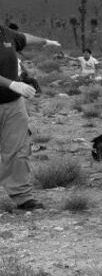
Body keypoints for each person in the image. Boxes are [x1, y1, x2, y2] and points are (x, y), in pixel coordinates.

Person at [1, 23, 61, 211]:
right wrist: (11, 84)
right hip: (12, 91)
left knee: (18, 149)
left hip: (12, 105)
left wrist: (45, 41)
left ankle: (22, 196)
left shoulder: (4, 32)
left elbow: (23, 37)